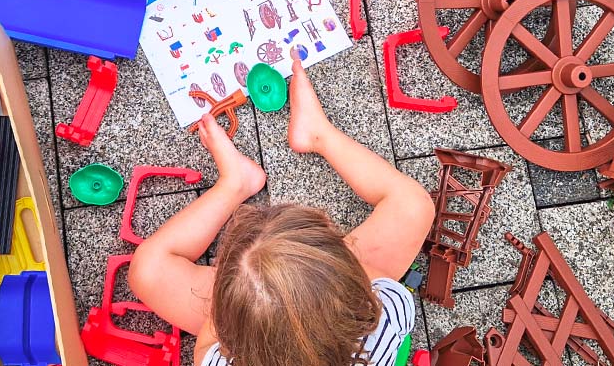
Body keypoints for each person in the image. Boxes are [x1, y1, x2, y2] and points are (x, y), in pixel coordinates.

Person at [127, 52, 436, 366]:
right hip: (355, 332)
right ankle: (318, 134)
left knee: (147, 270)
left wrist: (233, 312)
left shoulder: (223, 350)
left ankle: (235, 183)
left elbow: (208, 346)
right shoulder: (388, 310)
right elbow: (371, 283)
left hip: (270, 319)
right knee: (413, 206)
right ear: (347, 272)